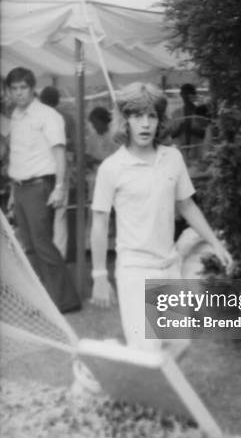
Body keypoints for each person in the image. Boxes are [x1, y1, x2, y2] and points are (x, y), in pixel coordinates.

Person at [90, 82, 232, 351]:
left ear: (160, 120)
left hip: (169, 266)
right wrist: (99, 274)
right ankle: (124, 383)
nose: (145, 124)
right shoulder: (112, 168)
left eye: (152, 116)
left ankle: (136, 386)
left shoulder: (173, 158)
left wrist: (215, 242)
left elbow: (188, 206)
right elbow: (98, 223)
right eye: (137, 116)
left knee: (179, 346)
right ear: (125, 120)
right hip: (135, 270)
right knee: (148, 352)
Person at [5, 67, 80, 313]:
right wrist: (14, 195)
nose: (18, 93)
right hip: (21, 187)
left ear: (32, 88)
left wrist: (59, 187)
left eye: (23, 88)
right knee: (28, 247)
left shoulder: (48, 115)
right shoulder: (15, 115)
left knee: (43, 245)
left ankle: (66, 301)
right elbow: (18, 157)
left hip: (41, 186)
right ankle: (43, 300)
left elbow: (60, 154)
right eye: (14, 88)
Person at [40, 86, 76, 258]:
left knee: (42, 212)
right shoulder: (67, 118)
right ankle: (59, 254)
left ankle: (45, 255)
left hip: (42, 168)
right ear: (58, 100)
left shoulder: (38, 118)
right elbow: (76, 146)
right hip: (63, 166)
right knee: (60, 212)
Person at [170, 84, 210, 160]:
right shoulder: (176, 114)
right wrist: (179, 129)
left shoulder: (201, 113)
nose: (186, 97)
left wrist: (191, 130)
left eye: (189, 94)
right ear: (181, 95)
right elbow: (171, 135)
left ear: (193, 95)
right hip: (180, 153)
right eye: (184, 94)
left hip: (198, 151)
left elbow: (207, 134)